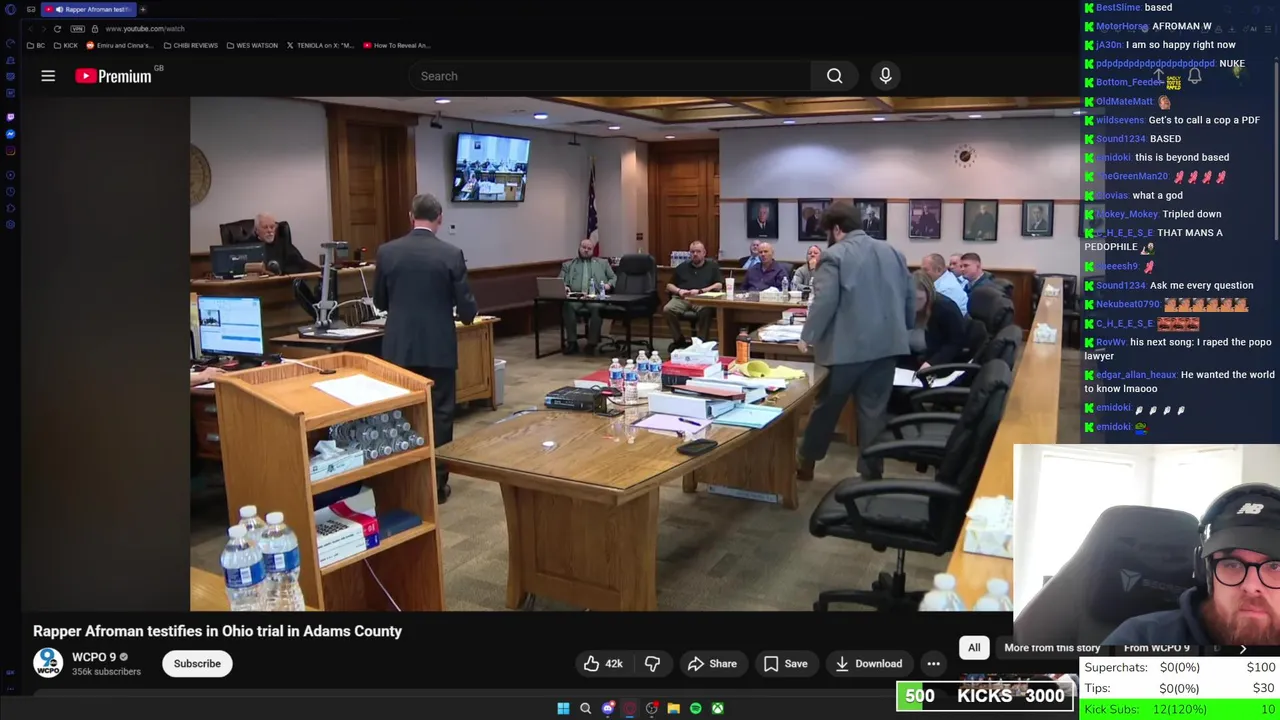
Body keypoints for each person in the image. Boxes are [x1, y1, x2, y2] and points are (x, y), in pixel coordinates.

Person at [796, 201, 914, 481]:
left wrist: (808, 335)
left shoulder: (833, 256)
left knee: (826, 410)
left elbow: (825, 301)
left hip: (845, 351)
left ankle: (806, 464)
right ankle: (872, 474)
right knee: (874, 412)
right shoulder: (893, 252)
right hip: (887, 347)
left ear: (836, 229)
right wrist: (904, 329)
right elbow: (910, 297)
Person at [374, 193, 478, 505]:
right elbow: (467, 308)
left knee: (401, 411)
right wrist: (465, 314)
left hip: (399, 348)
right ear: (440, 218)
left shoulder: (387, 252)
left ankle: (405, 479)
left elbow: (380, 301)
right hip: (438, 348)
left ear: (411, 216)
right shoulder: (451, 254)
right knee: (441, 413)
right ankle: (437, 483)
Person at [1102, 484, 1280, 646]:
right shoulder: (1142, 640)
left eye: (1275, 567)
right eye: (1232, 565)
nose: (1251, 586)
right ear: (1205, 572)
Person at [558, 238, 617, 355]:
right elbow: (560, 281)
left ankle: (592, 343)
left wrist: (609, 285)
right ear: (579, 248)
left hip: (595, 298)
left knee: (597, 308)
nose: (586, 250)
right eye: (583, 247)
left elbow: (613, 277)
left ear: (593, 251)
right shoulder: (568, 265)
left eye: (589, 248)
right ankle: (572, 342)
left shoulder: (602, 263)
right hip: (576, 298)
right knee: (567, 306)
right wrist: (565, 287)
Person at [663, 241, 722, 349]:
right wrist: (679, 291)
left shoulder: (712, 267)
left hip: (702, 298)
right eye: (692, 252)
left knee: (706, 310)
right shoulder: (682, 267)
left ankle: (701, 342)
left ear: (704, 253)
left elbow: (719, 285)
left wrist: (701, 291)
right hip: (683, 298)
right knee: (668, 309)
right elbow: (669, 285)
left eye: (698, 251)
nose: (695, 254)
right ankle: (679, 340)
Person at [907, 271, 966, 369]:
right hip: (911, 359)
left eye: (919, 299)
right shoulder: (904, 306)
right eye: (910, 299)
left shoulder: (945, 308)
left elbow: (955, 343)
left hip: (937, 363)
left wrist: (932, 363)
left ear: (929, 294)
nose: (914, 304)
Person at [249, 213, 318, 274]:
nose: (269, 230)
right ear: (256, 230)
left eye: (272, 227)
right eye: (265, 227)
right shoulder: (250, 247)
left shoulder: (283, 244)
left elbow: (300, 265)